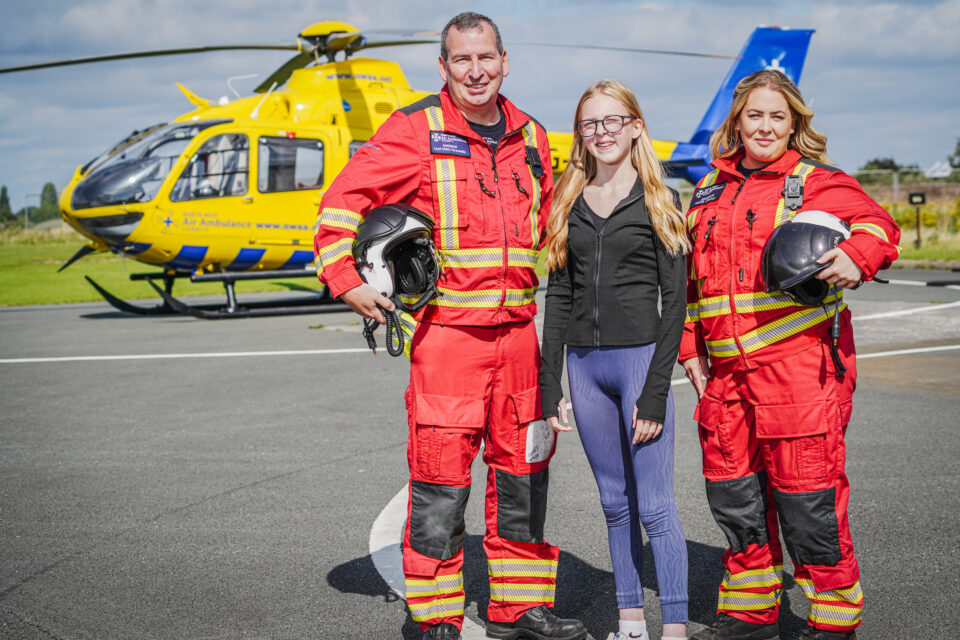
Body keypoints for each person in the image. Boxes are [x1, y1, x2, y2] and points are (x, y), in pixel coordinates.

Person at [314, 12, 587, 640]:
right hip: (448, 337)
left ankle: (518, 609)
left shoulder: (534, 137)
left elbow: (557, 226)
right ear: (443, 67)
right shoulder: (415, 129)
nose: (475, 70)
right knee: (441, 480)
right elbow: (341, 203)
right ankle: (434, 614)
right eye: (461, 60)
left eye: (485, 57)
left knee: (523, 477)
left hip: (520, 335)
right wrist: (347, 280)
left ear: (504, 61)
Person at [681, 70, 900, 640]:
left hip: (797, 370)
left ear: (795, 124)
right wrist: (688, 353)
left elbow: (879, 224)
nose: (765, 126)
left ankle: (833, 617)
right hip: (725, 379)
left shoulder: (816, 183)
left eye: (778, 117)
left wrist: (858, 255)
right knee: (736, 497)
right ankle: (752, 612)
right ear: (736, 121)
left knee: (808, 496)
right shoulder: (706, 192)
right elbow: (687, 286)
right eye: (754, 115)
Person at [540, 79, 691, 640]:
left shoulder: (660, 200)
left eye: (611, 121)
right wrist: (548, 378)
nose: (600, 133)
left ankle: (671, 625)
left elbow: (674, 305)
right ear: (580, 134)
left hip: (639, 364)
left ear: (634, 126)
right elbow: (557, 297)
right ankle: (631, 623)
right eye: (589, 124)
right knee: (613, 502)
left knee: (654, 506)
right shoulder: (568, 200)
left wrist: (655, 390)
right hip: (584, 367)